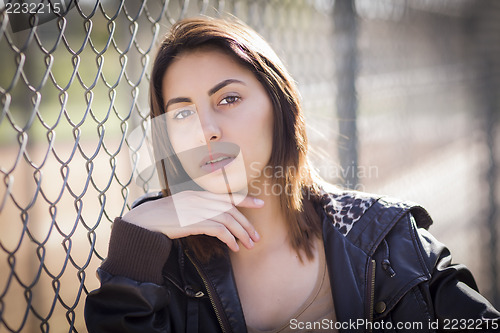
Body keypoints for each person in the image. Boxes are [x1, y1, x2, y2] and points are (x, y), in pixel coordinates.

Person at [84, 17, 500, 332]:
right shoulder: (162, 263)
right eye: (182, 112)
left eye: (228, 98)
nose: (205, 129)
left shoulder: (384, 240)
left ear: (279, 107)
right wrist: (136, 236)